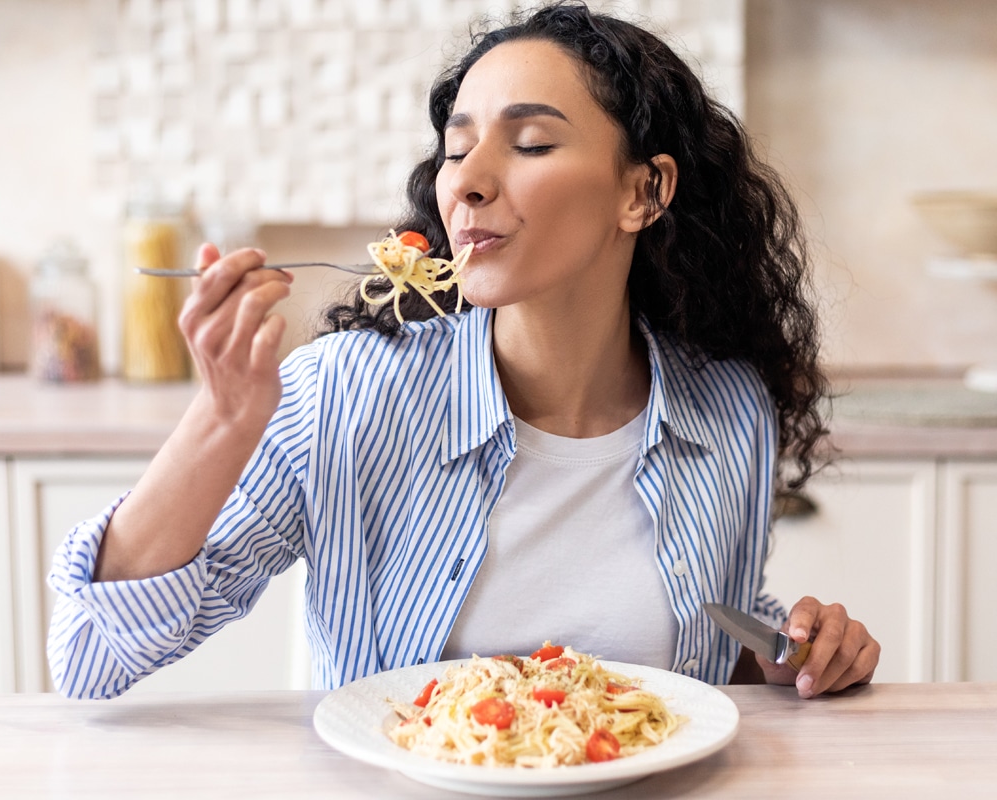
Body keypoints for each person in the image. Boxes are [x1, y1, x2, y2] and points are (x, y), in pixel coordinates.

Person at [47, 2, 880, 700]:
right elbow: (89, 657)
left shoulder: (728, 409)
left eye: (530, 145)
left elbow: (704, 648)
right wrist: (223, 420)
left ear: (643, 191)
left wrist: (795, 651)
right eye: (456, 147)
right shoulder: (347, 393)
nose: (466, 181)